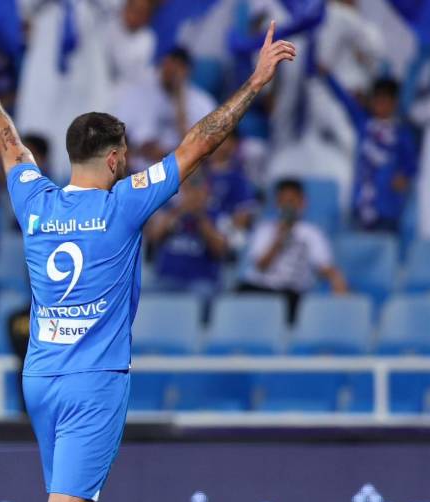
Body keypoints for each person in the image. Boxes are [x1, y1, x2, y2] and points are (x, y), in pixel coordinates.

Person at [0, 23, 294, 502]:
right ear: (116, 159)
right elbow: (200, 143)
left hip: (40, 381)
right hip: (94, 384)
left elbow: (10, 146)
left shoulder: (35, 201)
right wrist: (253, 83)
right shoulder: (124, 203)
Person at [239, 179, 349, 322]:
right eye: (283, 201)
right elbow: (261, 266)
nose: (287, 206)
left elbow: (324, 267)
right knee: (240, 294)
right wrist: (279, 239)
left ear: (302, 203)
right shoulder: (264, 230)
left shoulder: (312, 234)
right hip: (260, 288)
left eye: (291, 201)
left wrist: (335, 277)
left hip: (291, 293)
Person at [324, 74, 417, 233]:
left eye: (385, 101)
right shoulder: (364, 124)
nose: (381, 105)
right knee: (354, 246)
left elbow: (411, 164)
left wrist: (405, 176)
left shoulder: (401, 133)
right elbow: (345, 100)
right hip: (360, 207)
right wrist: (327, 76)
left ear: (394, 103)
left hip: (387, 209)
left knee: (385, 246)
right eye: (377, 100)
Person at [114, 47, 217, 171]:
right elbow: (120, 134)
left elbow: (205, 150)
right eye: (168, 65)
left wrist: (180, 101)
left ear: (187, 71)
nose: (171, 72)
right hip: (138, 169)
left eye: (177, 68)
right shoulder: (138, 93)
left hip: (182, 172)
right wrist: (143, 149)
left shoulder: (202, 103)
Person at [144, 175, 230, 301]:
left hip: (201, 282)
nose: (193, 196)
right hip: (166, 279)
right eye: (189, 191)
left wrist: (199, 217)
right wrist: (180, 212)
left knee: (204, 291)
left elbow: (220, 250)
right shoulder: (171, 211)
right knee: (143, 294)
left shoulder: (216, 215)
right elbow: (154, 238)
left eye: (197, 192)